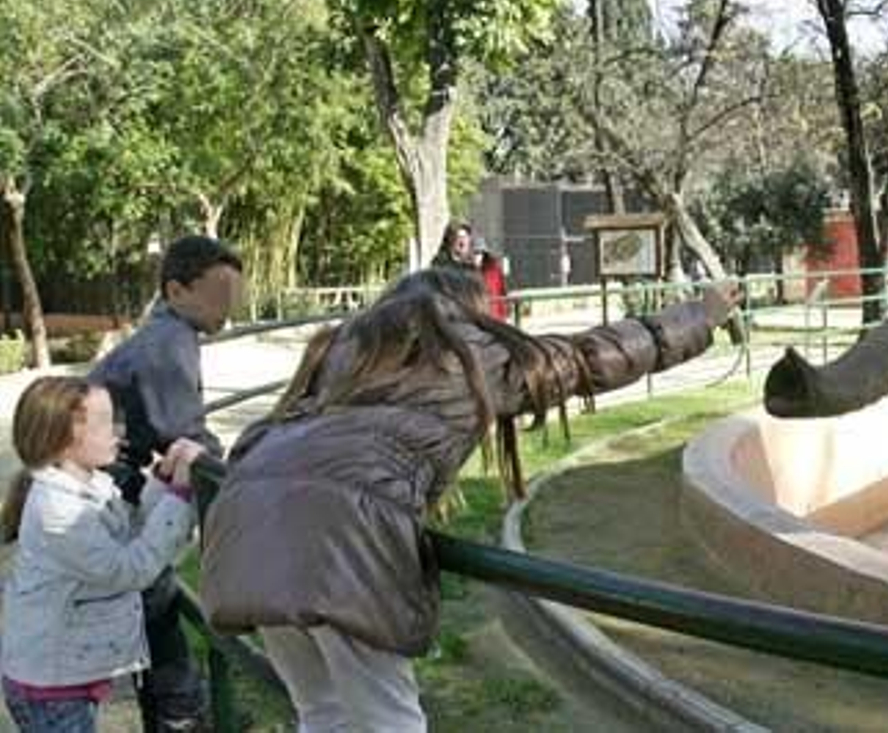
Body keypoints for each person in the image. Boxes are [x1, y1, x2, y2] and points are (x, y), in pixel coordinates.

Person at [200, 266, 733, 732]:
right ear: (468, 311)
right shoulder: (464, 346)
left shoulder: (344, 346)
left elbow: (279, 433)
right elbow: (592, 357)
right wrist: (700, 316)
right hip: (341, 536)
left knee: (322, 713)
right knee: (389, 720)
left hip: (247, 523)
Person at [88, 235, 243, 733]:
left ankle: (173, 707)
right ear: (176, 291)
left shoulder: (168, 335)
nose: (230, 307)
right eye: (220, 294)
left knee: (153, 596)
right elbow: (186, 431)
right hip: (99, 485)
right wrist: (242, 477)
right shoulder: (167, 343)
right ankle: (179, 712)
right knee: (153, 595)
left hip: (106, 479)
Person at [0, 376, 206, 733]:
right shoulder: (58, 511)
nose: (120, 432)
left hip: (68, 672)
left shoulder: (90, 483)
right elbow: (130, 569)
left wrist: (162, 479)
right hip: (51, 685)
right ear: (65, 439)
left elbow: (132, 530)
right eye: (107, 423)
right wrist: (181, 495)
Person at [476, 240, 509, 321]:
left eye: (479, 253)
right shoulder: (466, 271)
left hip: (495, 314)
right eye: (474, 253)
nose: (476, 256)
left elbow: (503, 291)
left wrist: (504, 313)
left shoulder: (494, 269)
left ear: (484, 254)